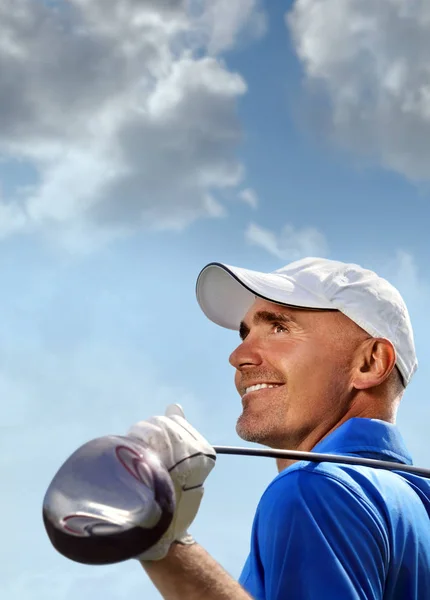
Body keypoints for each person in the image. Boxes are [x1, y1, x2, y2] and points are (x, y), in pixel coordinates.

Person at [128, 257, 430, 599]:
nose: (238, 355)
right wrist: (164, 543)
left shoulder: (315, 488)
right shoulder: (414, 504)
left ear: (370, 362)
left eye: (279, 328)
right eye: (245, 333)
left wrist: (164, 541)